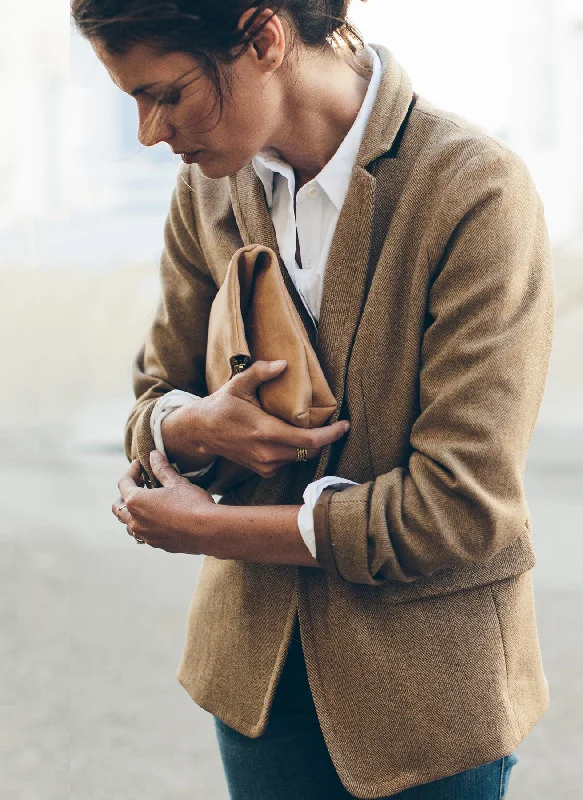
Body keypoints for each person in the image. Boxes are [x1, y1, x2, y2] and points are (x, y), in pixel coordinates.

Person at [71, 0, 555, 797]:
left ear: (264, 37)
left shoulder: (473, 188)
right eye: (133, 101)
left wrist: (212, 529)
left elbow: (460, 510)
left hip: (427, 696)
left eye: (166, 94)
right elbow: (154, 399)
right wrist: (192, 428)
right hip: (255, 687)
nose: (150, 134)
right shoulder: (207, 190)